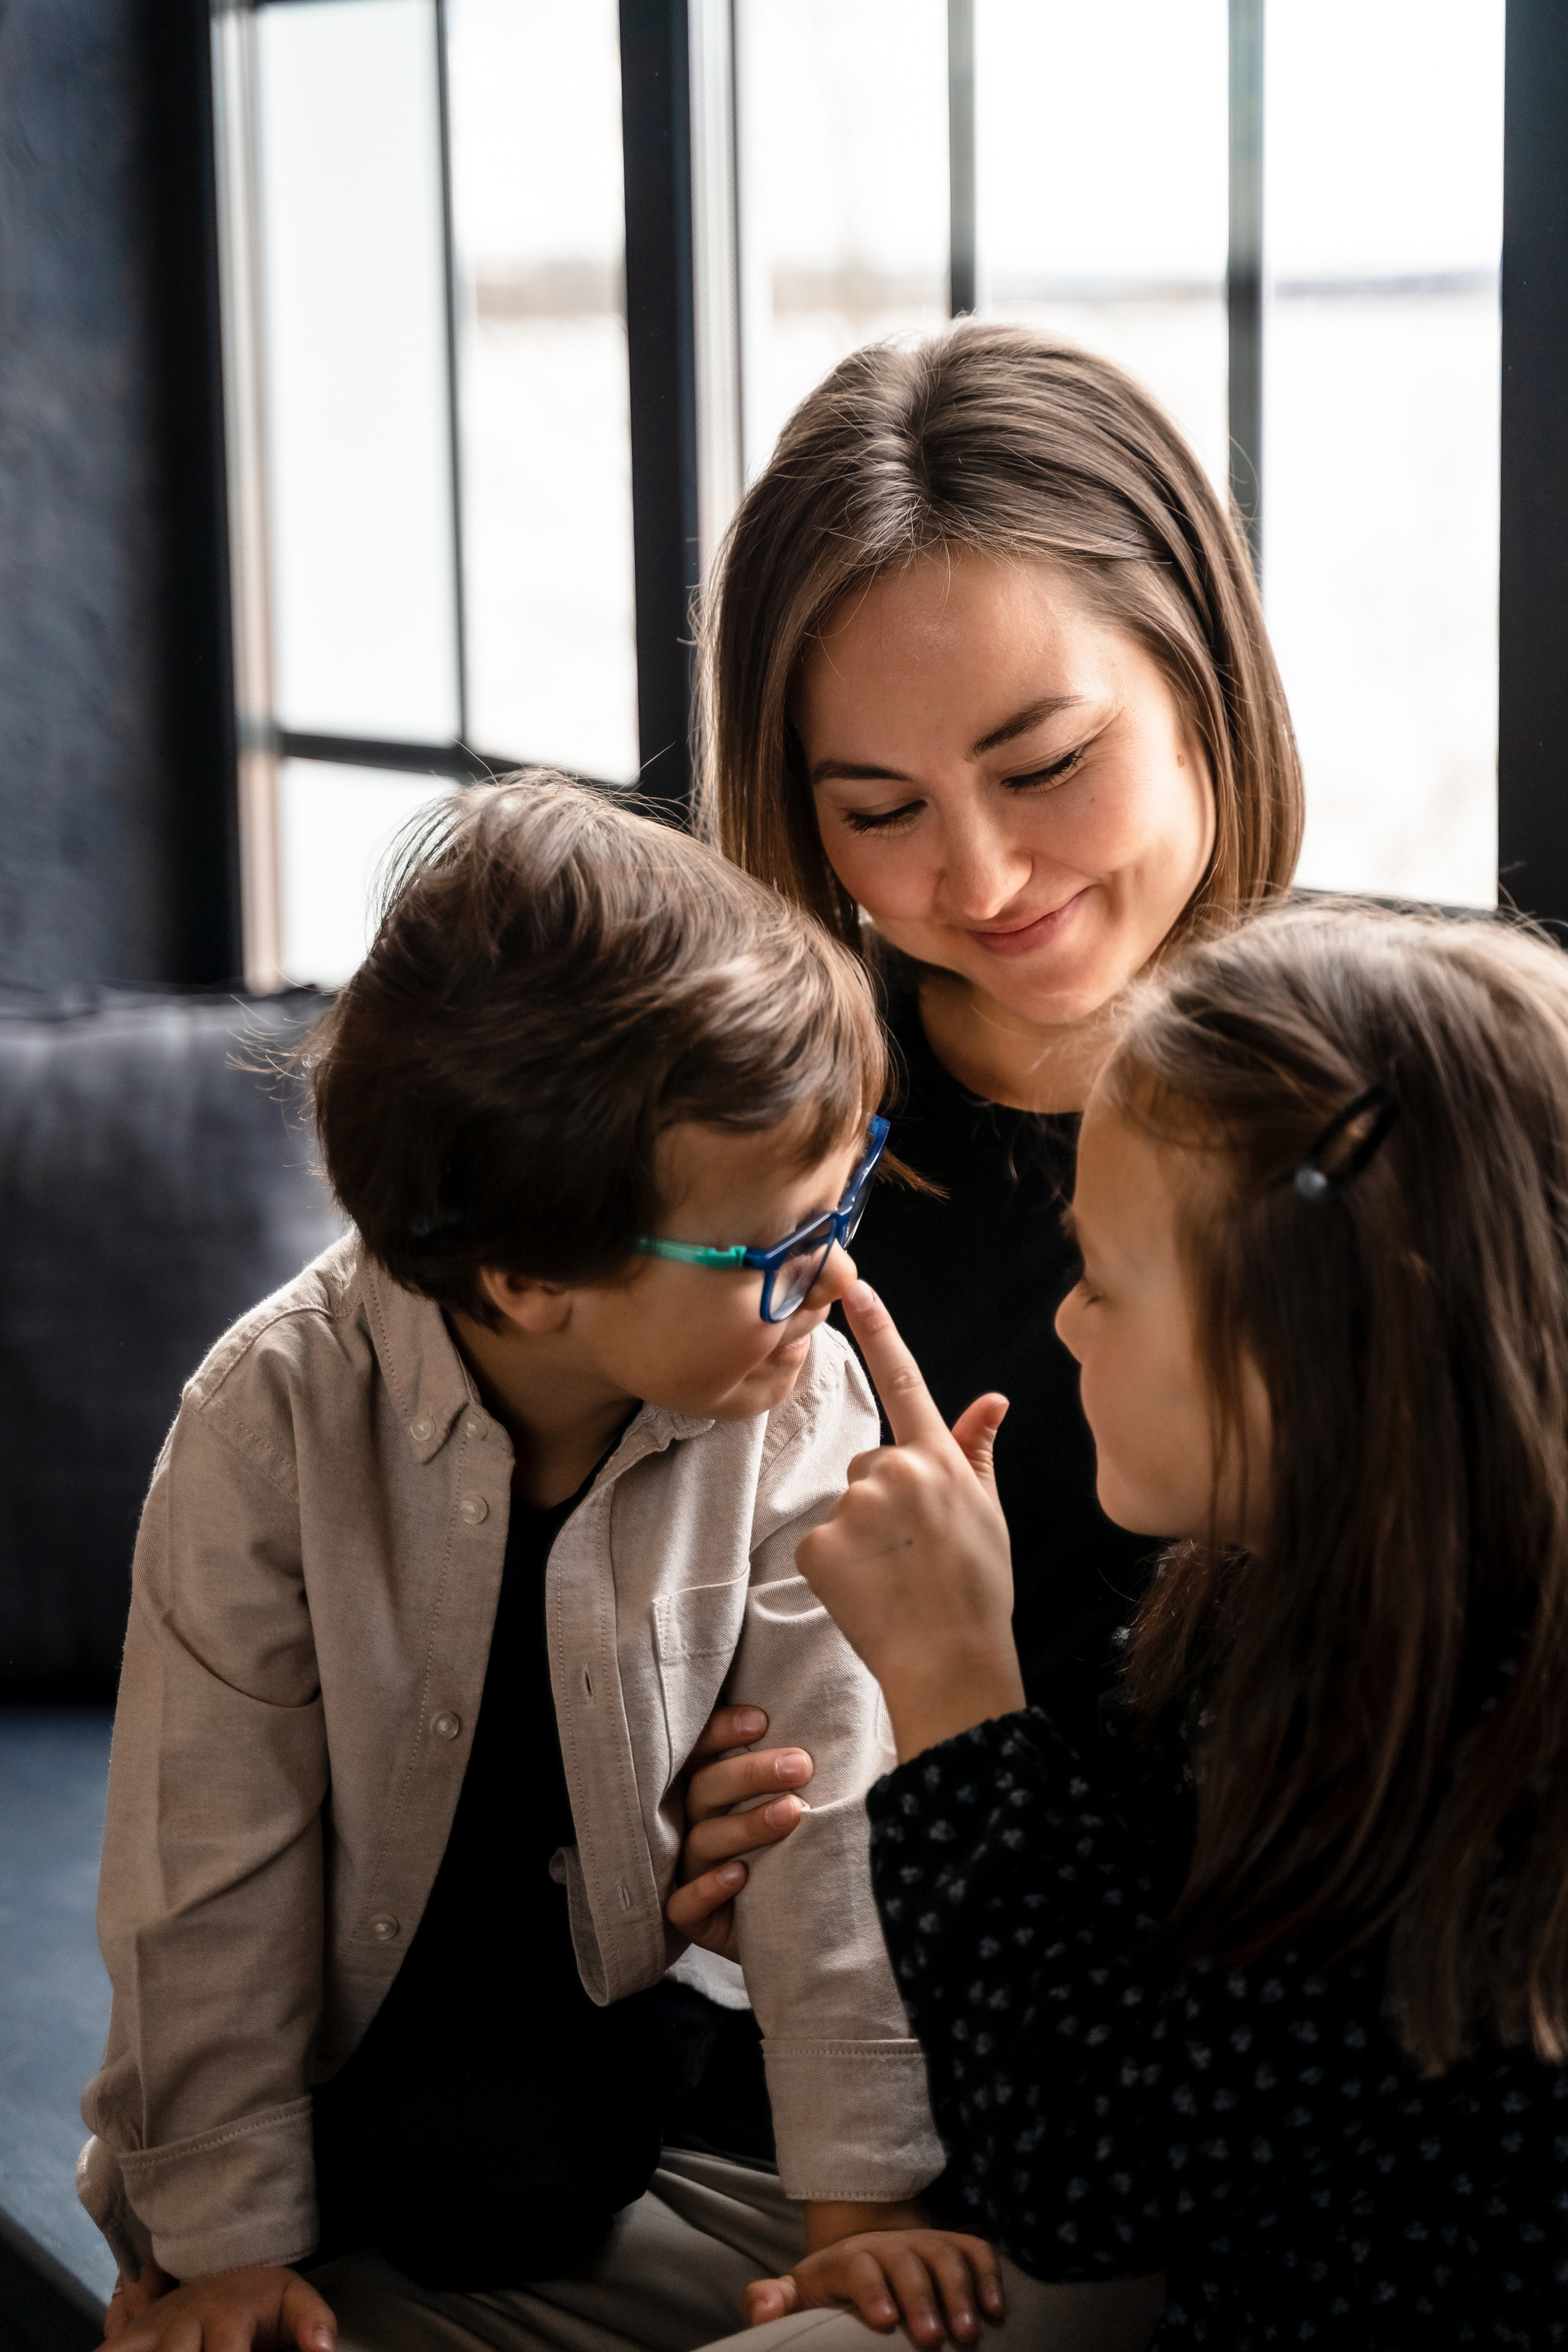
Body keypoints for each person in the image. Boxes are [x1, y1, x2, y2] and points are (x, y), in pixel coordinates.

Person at [82, 776, 1008, 2352]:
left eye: (843, 1195)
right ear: (526, 1281)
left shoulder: (792, 1396)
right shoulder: (268, 1423)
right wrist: (224, 2243)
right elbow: (204, 1868)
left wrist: (861, 2209)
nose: (829, 1278)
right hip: (343, 2072)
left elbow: (827, 1819)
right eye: (775, 1250)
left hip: (620, 2060)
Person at [763, 902, 1568, 2344]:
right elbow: (1125, 1953)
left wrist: (951, 1681)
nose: (1064, 1325)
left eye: (1100, 1281)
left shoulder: (1486, 1735)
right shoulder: (1284, 1600)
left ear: (1327, 1340)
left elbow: (1083, 2171)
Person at [694, 318, 1303, 1727]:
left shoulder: (1397, 1105)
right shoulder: (748, 1145)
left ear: (1202, 678)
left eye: (1043, 765)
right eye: (879, 811)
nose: (977, 882)